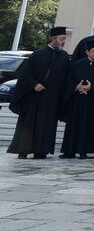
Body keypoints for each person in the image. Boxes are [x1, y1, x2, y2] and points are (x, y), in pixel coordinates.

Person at [7, 27, 71, 160]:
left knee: (46, 125)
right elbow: (26, 74)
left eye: (64, 39)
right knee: (29, 124)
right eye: (61, 39)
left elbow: (66, 78)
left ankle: (41, 151)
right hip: (34, 97)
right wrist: (34, 84)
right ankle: (23, 150)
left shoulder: (64, 57)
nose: (63, 41)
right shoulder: (38, 54)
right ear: (53, 39)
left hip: (52, 99)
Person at [59, 37, 94, 159]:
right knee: (73, 125)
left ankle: (84, 151)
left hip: (92, 102)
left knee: (88, 126)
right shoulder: (77, 64)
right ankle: (69, 150)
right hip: (77, 101)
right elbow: (68, 81)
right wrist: (77, 87)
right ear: (87, 52)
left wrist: (92, 88)